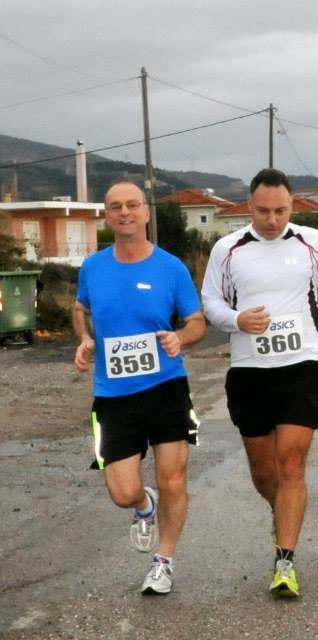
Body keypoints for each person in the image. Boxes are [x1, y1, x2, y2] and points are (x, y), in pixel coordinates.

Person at [201, 168, 318, 597]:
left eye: (280, 210)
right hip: (248, 370)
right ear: (249, 206)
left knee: (291, 463)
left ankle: (285, 561)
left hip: (303, 365)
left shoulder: (312, 242)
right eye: (263, 211)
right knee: (264, 472)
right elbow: (211, 303)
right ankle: (281, 517)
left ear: (292, 207)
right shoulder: (228, 248)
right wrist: (237, 319)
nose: (272, 219)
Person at [73, 180, 206, 595]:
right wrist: (85, 338)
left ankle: (162, 562)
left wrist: (179, 338)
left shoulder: (170, 267)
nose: (125, 212)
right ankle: (143, 507)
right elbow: (80, 309)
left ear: (146, 212)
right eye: (116, 207)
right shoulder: (94, 267)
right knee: (122, 491)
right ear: (108, 216)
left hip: (166, 386)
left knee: (174, 478)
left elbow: (197, 322)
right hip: (113, 395)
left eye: (132, 205)